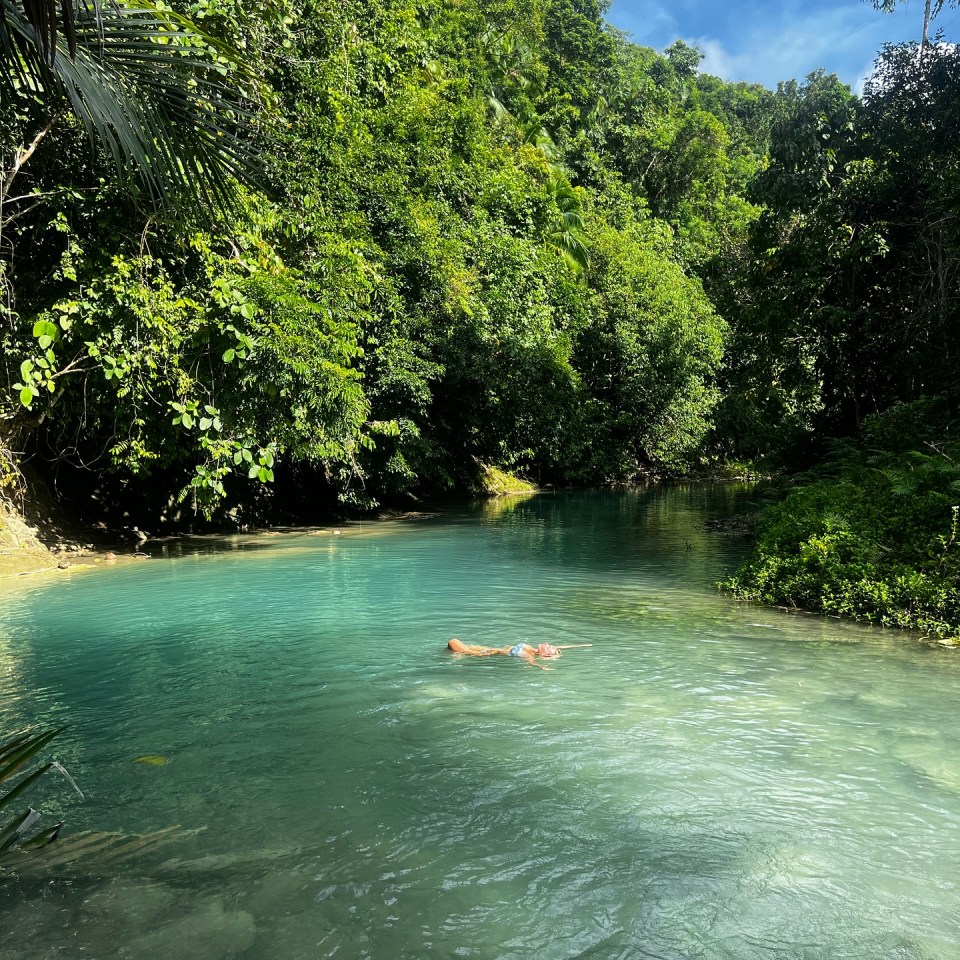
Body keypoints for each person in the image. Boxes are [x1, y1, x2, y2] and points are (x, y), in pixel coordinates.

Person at [447, 638, 587, 668]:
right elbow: (562, 646)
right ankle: (459, 653)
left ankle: (460, 653)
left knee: (454, 643)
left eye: (550, 647)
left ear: (545, 655)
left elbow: (531, 662)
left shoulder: (529, 655)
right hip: (492, 648)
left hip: (489, 653)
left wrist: (541, 667)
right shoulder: (533, 649)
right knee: (461, 644)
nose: (549, 644)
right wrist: (579, 645)